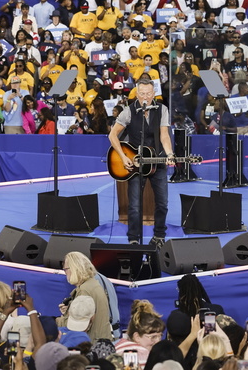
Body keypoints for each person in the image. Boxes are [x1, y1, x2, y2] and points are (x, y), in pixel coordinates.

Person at [108, 79, 175, 247]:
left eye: (149, 93)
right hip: (135, 163)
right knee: (135, 205)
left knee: (162, 203)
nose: (146, 97)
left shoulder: (162, 109)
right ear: (137, 94)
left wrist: (169, 154)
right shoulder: (128, 111)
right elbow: (112, 135)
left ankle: (159, 236)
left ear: (154, 94)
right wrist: (123, 157)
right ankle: (133, 239)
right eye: (142, 93)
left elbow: (164, 135)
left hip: (156, 161)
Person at [57, 251, 112, 341]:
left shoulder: (84, 290)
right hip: (101, 340)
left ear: (74, 269)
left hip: (90, 342)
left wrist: (56, 321)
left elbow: (78, 325)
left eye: (65, 269)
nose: (65, 273)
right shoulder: (93, 284)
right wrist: (70, 311)